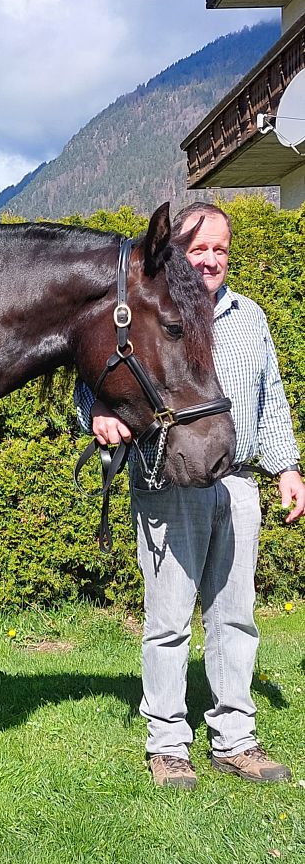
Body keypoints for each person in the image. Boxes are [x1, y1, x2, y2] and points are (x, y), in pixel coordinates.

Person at [77, 202, 304, 789]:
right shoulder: (152, 311)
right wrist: (96, 414)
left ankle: (235, 739)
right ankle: (168, 744)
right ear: (176, 252)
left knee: (236, 618)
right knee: (169, 621)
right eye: (198, 248)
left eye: (220, 249)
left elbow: (271, 396)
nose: (210, 259)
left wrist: (287, 467)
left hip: (237, 482)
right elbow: (90, 378)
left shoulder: (249, 317)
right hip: (169, 482)